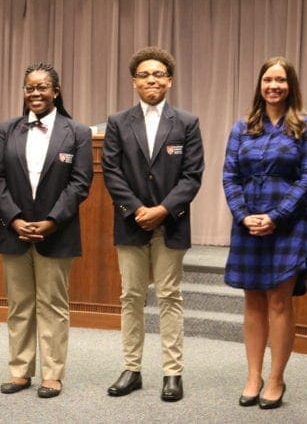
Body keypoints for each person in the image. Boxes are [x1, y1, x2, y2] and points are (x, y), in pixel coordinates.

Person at [102, 46, 204, 402]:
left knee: (169, 296)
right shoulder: (117, 122)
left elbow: (192, 176)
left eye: (159, 74)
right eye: (144, 75)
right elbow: (111, 172)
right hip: (131, 223)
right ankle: (132, 369)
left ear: (170, 80)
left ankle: (172, 373)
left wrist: (162, 209)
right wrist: (136, 209)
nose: (152, 80)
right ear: (134, 82)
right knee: (130, 296)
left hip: (171, 222)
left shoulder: (187, 122)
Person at [222, 56, 307, 409]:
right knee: (252, 303)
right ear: (260, 85)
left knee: (279, 302)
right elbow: (230, 176)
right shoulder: (242, 128)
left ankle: (277, 378)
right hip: (248, 225)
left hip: (289, 225)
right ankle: (254, 375)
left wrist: (276, 216)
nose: (274, 86)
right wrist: (244, 215)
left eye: (280, 80)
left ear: (290, 85)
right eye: (268, 79)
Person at [0, 63, 93, 399]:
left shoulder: (76, 131)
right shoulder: (8, 129)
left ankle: (52, 374)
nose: (35, 93)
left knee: (52, 304)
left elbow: (80, 184)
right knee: (20, 305)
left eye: (42, 87)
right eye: (30, 88)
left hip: (57, 231)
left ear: (56, 91)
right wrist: (15, 218)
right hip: (14, 230)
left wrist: (52, 221)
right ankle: (20, 371)